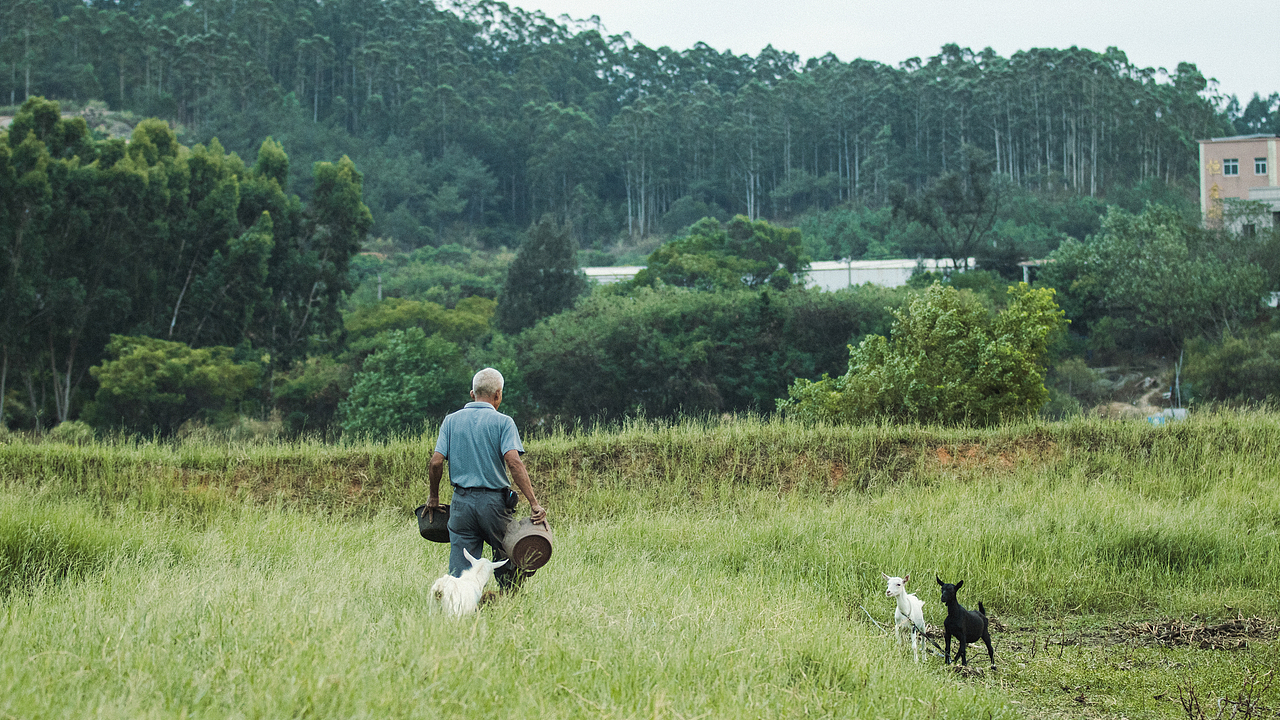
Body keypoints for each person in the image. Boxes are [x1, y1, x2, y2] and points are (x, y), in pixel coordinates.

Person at [426, 367, 546, 590]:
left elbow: (435, 462)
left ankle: (458, 610)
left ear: (472, 394)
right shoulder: (504, 422)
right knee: (509, 556)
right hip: (494, 505)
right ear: (498, 394)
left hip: (461, 504)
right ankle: (508, 605)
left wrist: (434, 497)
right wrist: (534, 503)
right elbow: (514, 462)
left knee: (461, 573)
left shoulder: (450, 421)